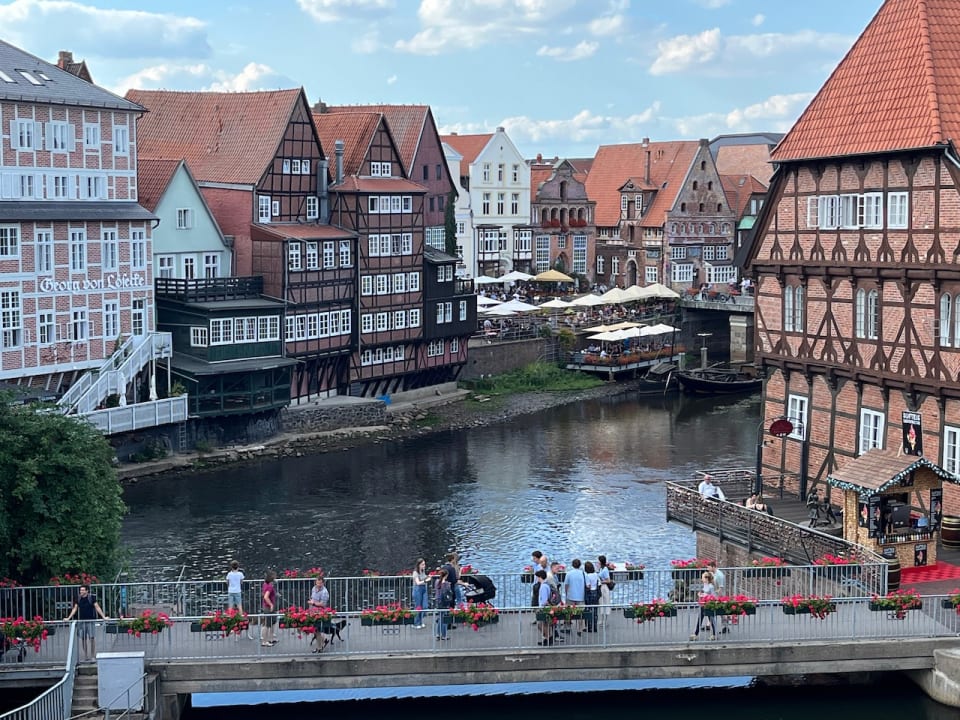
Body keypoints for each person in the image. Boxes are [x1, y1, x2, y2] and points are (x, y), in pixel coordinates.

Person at [64, 584, 108, 662]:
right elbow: (75, 608)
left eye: (83, 590)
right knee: (83, 639)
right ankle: (86, 656)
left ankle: (92, 655)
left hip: (91, 620)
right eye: (81, 590)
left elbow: (97, 607)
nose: (81, 591)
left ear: (87, 591)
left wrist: (103, 617)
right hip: (82, 621)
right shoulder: (78, 598)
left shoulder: (91, 598)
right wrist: (68, 618)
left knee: (92, 638)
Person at [690, 570, 717, 641]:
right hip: (703, 604)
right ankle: (696, 634)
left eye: (703, 577)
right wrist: (701, 595)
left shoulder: (711, 586)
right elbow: (704, 593)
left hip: (709, 605)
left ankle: (715, 634)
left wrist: (704, 595)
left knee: (711, 619)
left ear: (707, 579)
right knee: (700, 618)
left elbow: (713, 596)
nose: (702, 579)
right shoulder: (705, 585)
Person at [564, 559, 586, 635]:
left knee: (568, 612)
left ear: (572, 565)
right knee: (580, 613)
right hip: (581, 596)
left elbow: (566, 585)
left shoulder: (569, 573)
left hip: (571, 596)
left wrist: (566, 593)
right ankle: (580, 629)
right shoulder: (583, 573)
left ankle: (567, 628)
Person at [707, 561, 728, 634]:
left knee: (721, 611)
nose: (708, 569)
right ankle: (710, 624)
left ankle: (725, 627)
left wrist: (718, 598)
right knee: (716, 611)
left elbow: (721, 588)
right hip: (715, 595)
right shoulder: (714, 574)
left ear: (713, 566)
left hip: (719, 596)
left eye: (708, 567)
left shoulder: (719, 575)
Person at [534, 569, 554, 646]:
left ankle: (548, 637)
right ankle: (547, 638)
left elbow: (544, 600)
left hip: (544, 608)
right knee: (546, 624)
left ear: (540, 577)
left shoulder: (543, 587)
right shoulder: (546, 585)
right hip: (546, 607)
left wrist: (542, 608)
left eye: (537, 577)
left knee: (541, 624)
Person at [260, 570, 278, 647]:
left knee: (271, 622)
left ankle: (270, 639)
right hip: (268, 607)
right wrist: (271, 604)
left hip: (266, 606)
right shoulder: (269, 586)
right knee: (267, 624)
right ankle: (264, 641)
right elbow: (266, 597)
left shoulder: (265, 584)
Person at [411, 558, 429, 629]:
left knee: (424, 606)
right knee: (418, 606)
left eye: (424, 564)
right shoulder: (415, 572)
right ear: (419, 565)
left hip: (423, 589)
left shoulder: (423, 571)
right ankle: (416, 623)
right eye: (422, 564)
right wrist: (425, 581)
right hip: (417, 589)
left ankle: (420, 621)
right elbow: (418, 582)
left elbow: (424, 577)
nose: (424, 566)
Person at [583, 561, 600, 633]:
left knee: (589, 610)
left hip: (589, 593)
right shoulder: (596, 574)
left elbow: (588, 585)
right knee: (595, 610)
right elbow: (599, 583)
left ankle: (589, 627)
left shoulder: (587, 575)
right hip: (595, 592)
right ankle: (595, 627)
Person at [597, 554, 613, 623]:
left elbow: (608, 580)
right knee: (601, 602)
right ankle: (602, 619)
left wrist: (601, 581)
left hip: (604, 587)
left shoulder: (605, 570)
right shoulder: (601, 569)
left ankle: (605, 620)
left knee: (605, 602)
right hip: (601, 587)